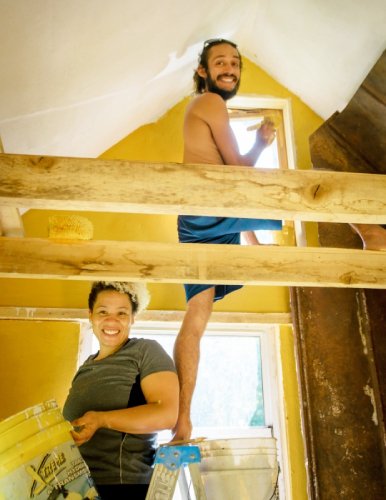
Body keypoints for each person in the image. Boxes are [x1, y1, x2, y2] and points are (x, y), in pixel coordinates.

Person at [172, 38, 386, 442]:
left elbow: (230, 175)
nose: (229, 68)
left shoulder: (210, 109)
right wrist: (258, 146)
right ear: (202, 71)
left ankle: (183, 420)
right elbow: (238, 173)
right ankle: (370, 231)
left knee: (197, 315)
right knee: (309, 187)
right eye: (220, 62)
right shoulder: (210, 103)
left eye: (235, 62)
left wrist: (249, 234)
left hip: (200, 217)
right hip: (210, 205)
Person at [63, 281, 179, 500]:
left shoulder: (145, 351)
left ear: (133, 318)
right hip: (78, 489)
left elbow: (166, 414)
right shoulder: (86, 366)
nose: (111, 320)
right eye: (103, 311)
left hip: (122, 487)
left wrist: (101, 420)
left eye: (122, 313)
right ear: (91, 315)